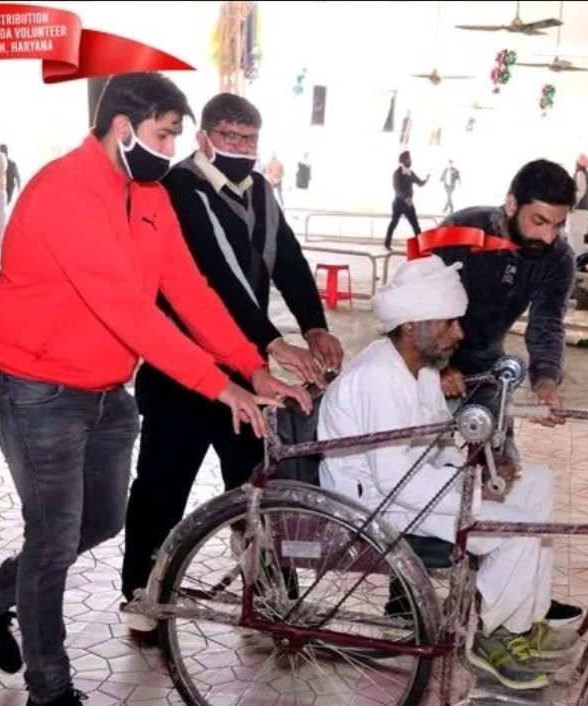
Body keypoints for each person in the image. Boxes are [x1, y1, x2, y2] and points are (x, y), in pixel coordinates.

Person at [0, 73, 308, 706]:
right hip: (37, 391)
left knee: (103, 521)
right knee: (54, 538)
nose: (171, 149)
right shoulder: (65, 191)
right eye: (164, 134)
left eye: (174, 135)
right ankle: (50, 688)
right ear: (122, 127)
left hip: (107, 392)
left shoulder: (147, 193)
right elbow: (129, 310)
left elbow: (188, 289)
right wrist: (217, 387)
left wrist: (249, 366)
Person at [120, 93, 345, 641]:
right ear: (204, 140)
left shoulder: (260, 191)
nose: (241, 150)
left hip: (244, 376)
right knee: (161, 487)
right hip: (180, 371)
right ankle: (143, 593)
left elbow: (286, 259)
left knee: (257, 485)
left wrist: (313, 324)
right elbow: (215, 280)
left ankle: (270, 595)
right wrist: (271, 341)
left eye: (249, 140)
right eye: (229, 138)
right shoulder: (176, 191)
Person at [318, 256, 578, 691]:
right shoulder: (380, 376)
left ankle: (523, 621)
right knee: (516, 525)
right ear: (409, 325)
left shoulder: (417, 368)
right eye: (448, 323)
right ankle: (494, 639)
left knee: (537, 483)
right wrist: (475, 491)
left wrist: (485, 473)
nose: (459, 333)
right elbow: (393, 478)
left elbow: (438, 447)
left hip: (407, 488)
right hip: (372, 505)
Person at [433, 160, 577, 433]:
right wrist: (434, 369)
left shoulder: (559, 259)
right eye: (539, 221)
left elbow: (547, 323)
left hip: (486, 369)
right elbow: (417, 311)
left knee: (501, 465)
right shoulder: (459, 230)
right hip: (425, 362)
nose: (548, 237)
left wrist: (545, 382)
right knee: (420, 461)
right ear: (512, 205)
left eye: (558, 225)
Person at [383, 150, 429, 250]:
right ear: (403, 161)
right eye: (408, 159)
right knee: (394, 223)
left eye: (410, 159)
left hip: (408, 203)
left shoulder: (410, 173)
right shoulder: (397, 173)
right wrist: (405, 198)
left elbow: (419, 183)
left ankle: (422, 246)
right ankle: (387, 243)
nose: (410, 161)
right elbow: (396, 189)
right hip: (398, 203)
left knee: (415, 225)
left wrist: (426, 179)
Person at [567, 153, 588, 255]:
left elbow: (580, 191)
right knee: (577, 238)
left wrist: (572, 205)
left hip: (578, 210)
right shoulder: (586, 174)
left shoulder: (580, 174)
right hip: (582, 211)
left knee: (574, 237)